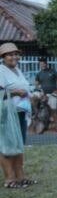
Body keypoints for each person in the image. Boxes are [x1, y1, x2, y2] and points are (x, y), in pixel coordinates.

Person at [0, 42, 33, 188]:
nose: (14, 57)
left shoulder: (17, 70)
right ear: (3, 57)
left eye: (16, 54)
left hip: (20, 112)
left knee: (19, 144)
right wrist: (16, 92)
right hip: (7, 113)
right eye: (10, 55)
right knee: (8, 145)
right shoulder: (1, 71)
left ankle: (20, 177)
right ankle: (9, 179)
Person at [32, 58, 57, 127]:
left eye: (43, 64)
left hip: (52, 93)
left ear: (46, 64)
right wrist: (40, 90)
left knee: (53, 110)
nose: (42, 65)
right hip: (43, 93)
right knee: (33, 98)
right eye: (40, 64)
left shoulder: (53, 71)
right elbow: (36, 84)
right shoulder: (39, 74)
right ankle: (36, 113)